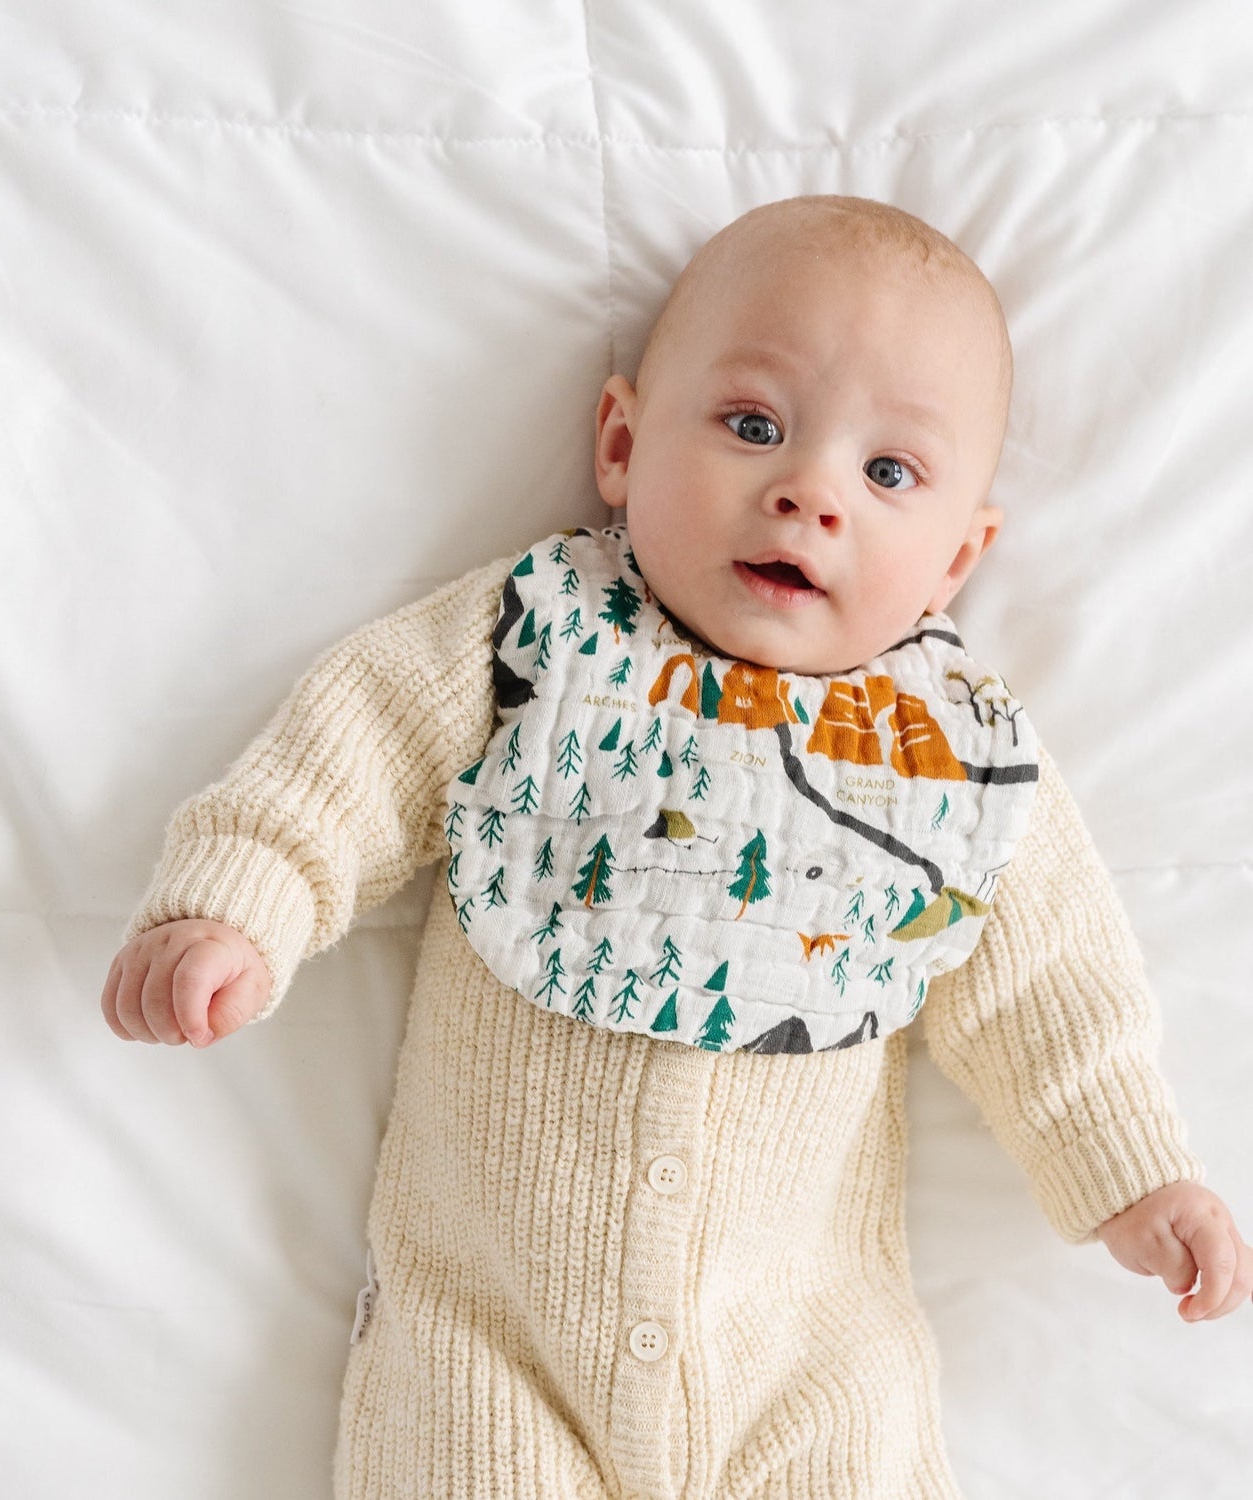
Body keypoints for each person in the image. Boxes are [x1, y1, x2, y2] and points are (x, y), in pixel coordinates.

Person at [101, 195, 1251, 1498]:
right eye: (754, 425)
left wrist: (1135, 1178)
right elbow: (348, 758)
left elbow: (1052, 988)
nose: (809, 492)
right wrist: (235, 910)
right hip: (492, 1350)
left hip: (803, 1365)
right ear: (622, 441)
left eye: (889, 474)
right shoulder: (540, 636)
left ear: (956, 560)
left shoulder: (953, 753)